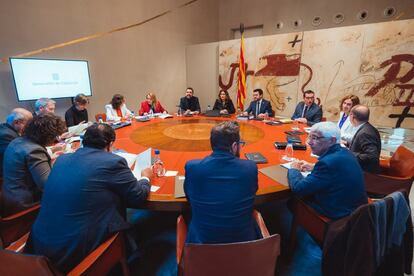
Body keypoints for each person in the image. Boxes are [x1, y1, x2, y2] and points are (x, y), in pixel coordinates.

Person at [26, 123, 153, 273]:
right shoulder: (113, 162)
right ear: (110, 144)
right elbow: (137, 197)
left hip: (39, 244)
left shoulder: (62, 160)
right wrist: (145, 178)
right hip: (74, 252)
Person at [184, 121, 260, 244]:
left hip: (201, 247)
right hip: (245, 247)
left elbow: (189, 197)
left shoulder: (192, 167)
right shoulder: (250, 168)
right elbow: (253, 191)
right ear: (235, 146)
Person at [287, 122, 367, 219]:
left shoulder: (326, 164)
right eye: (309, 137)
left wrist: (294, 169)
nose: (309, 142)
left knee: (291, 200)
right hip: (356, 209)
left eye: (315, 138)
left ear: (332, 140)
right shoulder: (345, 152)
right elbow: (337, 169)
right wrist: (314, 166)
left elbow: (298, 189)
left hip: (338, 213)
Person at [2, 113, 66, 215]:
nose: (55, 139)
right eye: (54, 136)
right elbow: (48, 186)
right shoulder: (34, 150)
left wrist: (49, 160)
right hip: (26, 203)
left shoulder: (18, 141)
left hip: (10, 195)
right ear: (46, 135)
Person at [0, 108, 33, 177]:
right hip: (8, 176)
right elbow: (18, 157)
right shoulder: (6, 135)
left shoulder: (6, 128)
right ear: (16, 122)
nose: (29, 127)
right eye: (28, 124)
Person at [349, 105, 381, 174]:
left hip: (364, 173)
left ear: (352, 116)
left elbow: (372, 156)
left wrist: (349, 153)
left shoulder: (365, 133)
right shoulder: (366, 127)